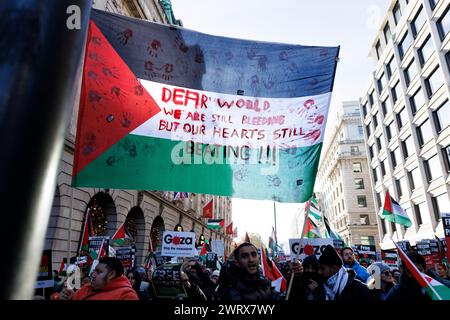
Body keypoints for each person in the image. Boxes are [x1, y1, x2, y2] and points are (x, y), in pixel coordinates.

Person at [216, 242, 302, 301]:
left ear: (258, 258)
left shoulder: (265, 285)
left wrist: (295, 279)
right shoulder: (229, 290)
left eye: (253, 254)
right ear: (237, 262)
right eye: (245, 256)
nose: (251, 260)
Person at [59, 257, 138, 300]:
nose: (93, 275)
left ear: (111, 274)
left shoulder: (127, 295)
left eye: (99, 271)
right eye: (94, 271)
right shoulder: (85, 289)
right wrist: (71, 298)